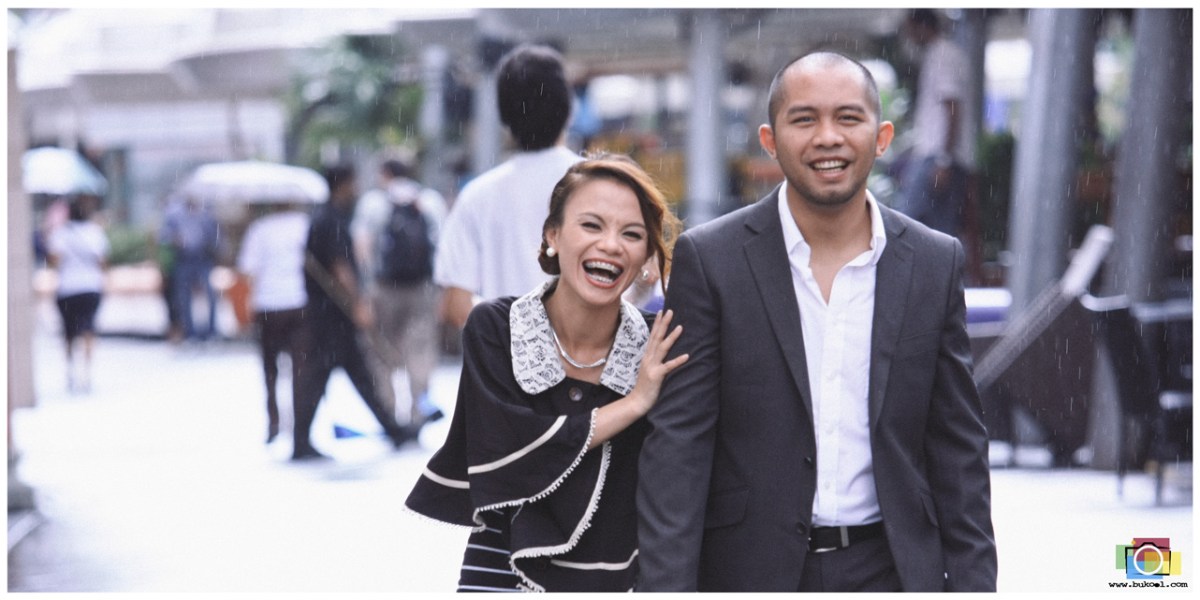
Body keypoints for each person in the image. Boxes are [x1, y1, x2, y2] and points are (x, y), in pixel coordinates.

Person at [636, 52, 996, 592]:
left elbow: (958, 451)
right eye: (804, 119)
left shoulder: (933, 262)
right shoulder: (712, 260)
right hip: (749, 573)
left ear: (882, 136)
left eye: (849, 118)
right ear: (769, 138)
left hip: (891, 571)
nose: (828, 137)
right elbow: (680, 448)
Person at [405, 155, 686, 592]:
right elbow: (506, 448)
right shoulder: (496, 327)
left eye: (631, 234)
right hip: (501, 570)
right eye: (592, 226)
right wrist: (633, 404)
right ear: (552, 235)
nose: (611, 245)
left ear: (647, 255)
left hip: (620, 579)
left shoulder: (660, 346)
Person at [434, 44, 583, 329]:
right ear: (568, 107)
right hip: (591, 366)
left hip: (505, 368)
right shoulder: (599, 185)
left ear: (504, 116)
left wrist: (512, 346)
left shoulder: (477, 197)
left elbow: (457, 304)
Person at [290, 165, 413, 460]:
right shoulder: (330, 219)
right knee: (323, 377)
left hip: (328, 314)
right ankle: (301, 441)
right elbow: (340, 267)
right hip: (332, 314)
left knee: (351, 375)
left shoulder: (323, 217)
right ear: (342, 184)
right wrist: (358, 303)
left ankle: (392, 429)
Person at [351, 158, 447, 434]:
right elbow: (442, 245)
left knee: (383, 353)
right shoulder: (430, 201)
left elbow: (362, 245)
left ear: (384, 173)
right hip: (423, 288)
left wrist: (366, 287)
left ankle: (392, 415)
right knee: (420, 350)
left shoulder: (373, 203)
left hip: (384, 288)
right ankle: (417, 413)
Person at [893, 8, 974, 239]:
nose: (909, 37)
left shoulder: (942, 56)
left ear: (922, 26)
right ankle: (940, 275)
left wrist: (943, 160)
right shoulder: (942, 55)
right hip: (942, 157)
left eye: (910, 30)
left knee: (906, 224)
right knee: (939, 231)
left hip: (938, 158)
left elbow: (952, 107)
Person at [236, 201, 311, 444]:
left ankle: (274, 420)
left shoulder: (260, 229)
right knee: (300, 368)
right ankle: (300, 422)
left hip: (268, 305)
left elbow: (247, 270)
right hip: (299, 302)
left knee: (270, 369)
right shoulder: (304, 225)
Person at [46, 195, 109, 393]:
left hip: (67, 289)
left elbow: (54, 263)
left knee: (68, 333)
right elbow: (103, 263)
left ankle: (70, 371)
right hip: (91, 287)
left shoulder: (60, 234)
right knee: (89, 330)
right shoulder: (95, 233)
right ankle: (87, 374)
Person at [159, 195, 221, 342]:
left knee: (210, 296)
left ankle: (211, 330)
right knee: (183, 297)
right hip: (184, 259)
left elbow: (216, 236)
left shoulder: (206, 215)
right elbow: (164, 235)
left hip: (203, 258)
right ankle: (189, 332)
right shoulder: (175, 216)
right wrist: (176, 239)